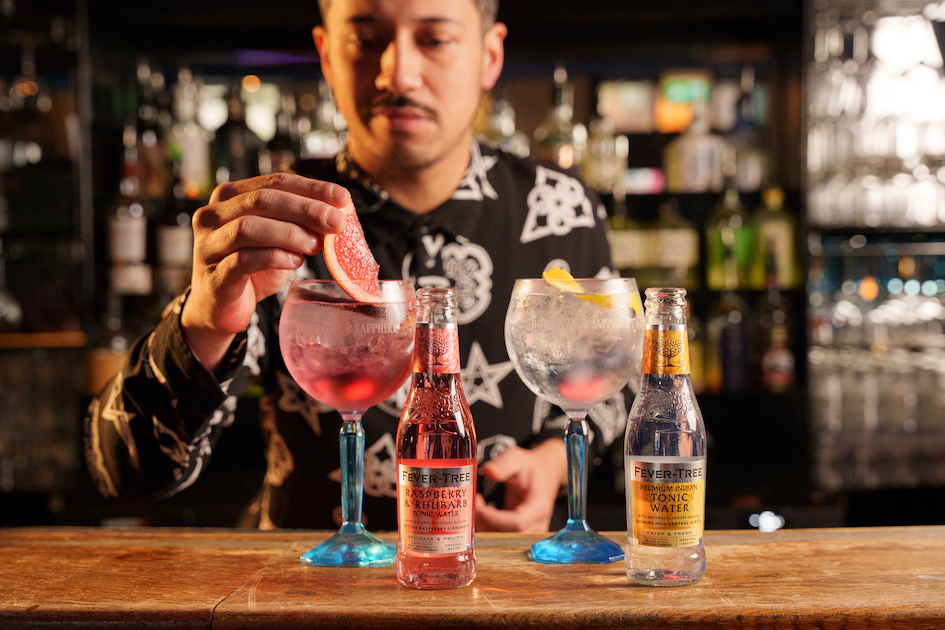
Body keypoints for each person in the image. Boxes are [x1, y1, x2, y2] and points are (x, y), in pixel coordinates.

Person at [84, 0, 628, 533]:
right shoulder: (272, 219)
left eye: (434, 39)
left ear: (489, 56)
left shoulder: (562, 207)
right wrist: (204, 324)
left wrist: (552, 463)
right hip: (304, 576)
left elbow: (618, 374)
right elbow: (121, 473)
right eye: (366, 40)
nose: (398, 73)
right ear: (326, 55)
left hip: (496, 574)